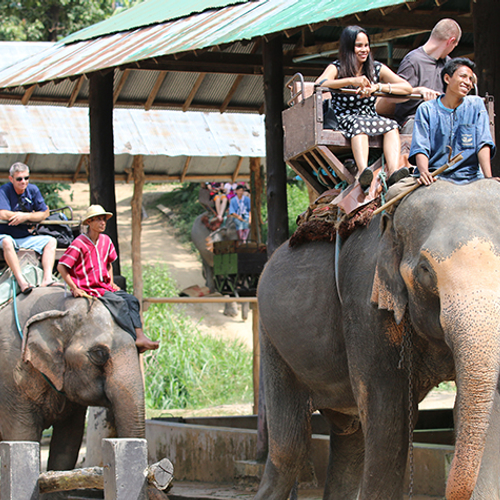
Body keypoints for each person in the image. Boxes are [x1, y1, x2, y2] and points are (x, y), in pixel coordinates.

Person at [315, 25, 412, 191]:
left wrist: (378, 87)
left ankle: (394, 172)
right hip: (345, 117)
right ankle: (363, 172)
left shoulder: (376, 68)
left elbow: (407, 88)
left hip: (370, 116)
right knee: (359, 125)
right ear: (348, 48)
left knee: (392, 126)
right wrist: (351, 81)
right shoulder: (337, 67)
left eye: (366, 45)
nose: (364, 50)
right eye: (359, 46)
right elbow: (320, 83)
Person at [57, 205, 159, 353]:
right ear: (90, 222)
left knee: (131, 300)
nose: (102, 223)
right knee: (119, 303)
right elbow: (62, 266)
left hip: (104, 286)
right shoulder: (79, 243)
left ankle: (140, 336)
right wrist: (74, 288)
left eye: (104, 219)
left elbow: (109, 263)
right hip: (90, 288)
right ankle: (132, 338)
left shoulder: (106, 240)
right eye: (98, 219)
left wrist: (110, 282)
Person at [409, 57, 495, 185]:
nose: (468, 82)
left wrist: (489, 179)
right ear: (447, 79)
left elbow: (483, 143)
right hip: (435, 174)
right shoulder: (426, 109)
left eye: (471, 79)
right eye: (463, 76)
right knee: (395, 192)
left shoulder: (476, 104)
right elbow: (421, 147)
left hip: (469, 175)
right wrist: (424, 173)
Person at [377, 19, 462, 134]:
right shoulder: (413, 61)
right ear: (450, 41)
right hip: (414, 120)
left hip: (443, 119)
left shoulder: (448, 64)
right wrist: (418, 92)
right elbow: (391, 97)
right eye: (454, 45)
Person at [0, 162, 57, 294]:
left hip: (24, 236)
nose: (23, 182)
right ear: (11, 179)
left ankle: (47, 279)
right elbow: (3, 213)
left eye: (26, 178)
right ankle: (21, 281)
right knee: (7, 241)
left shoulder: (33, 190)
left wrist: (25, 217)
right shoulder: (4, 190)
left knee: (51, 241)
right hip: (4, 235)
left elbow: (44, 213)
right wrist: (19, 216)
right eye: (19, 179)